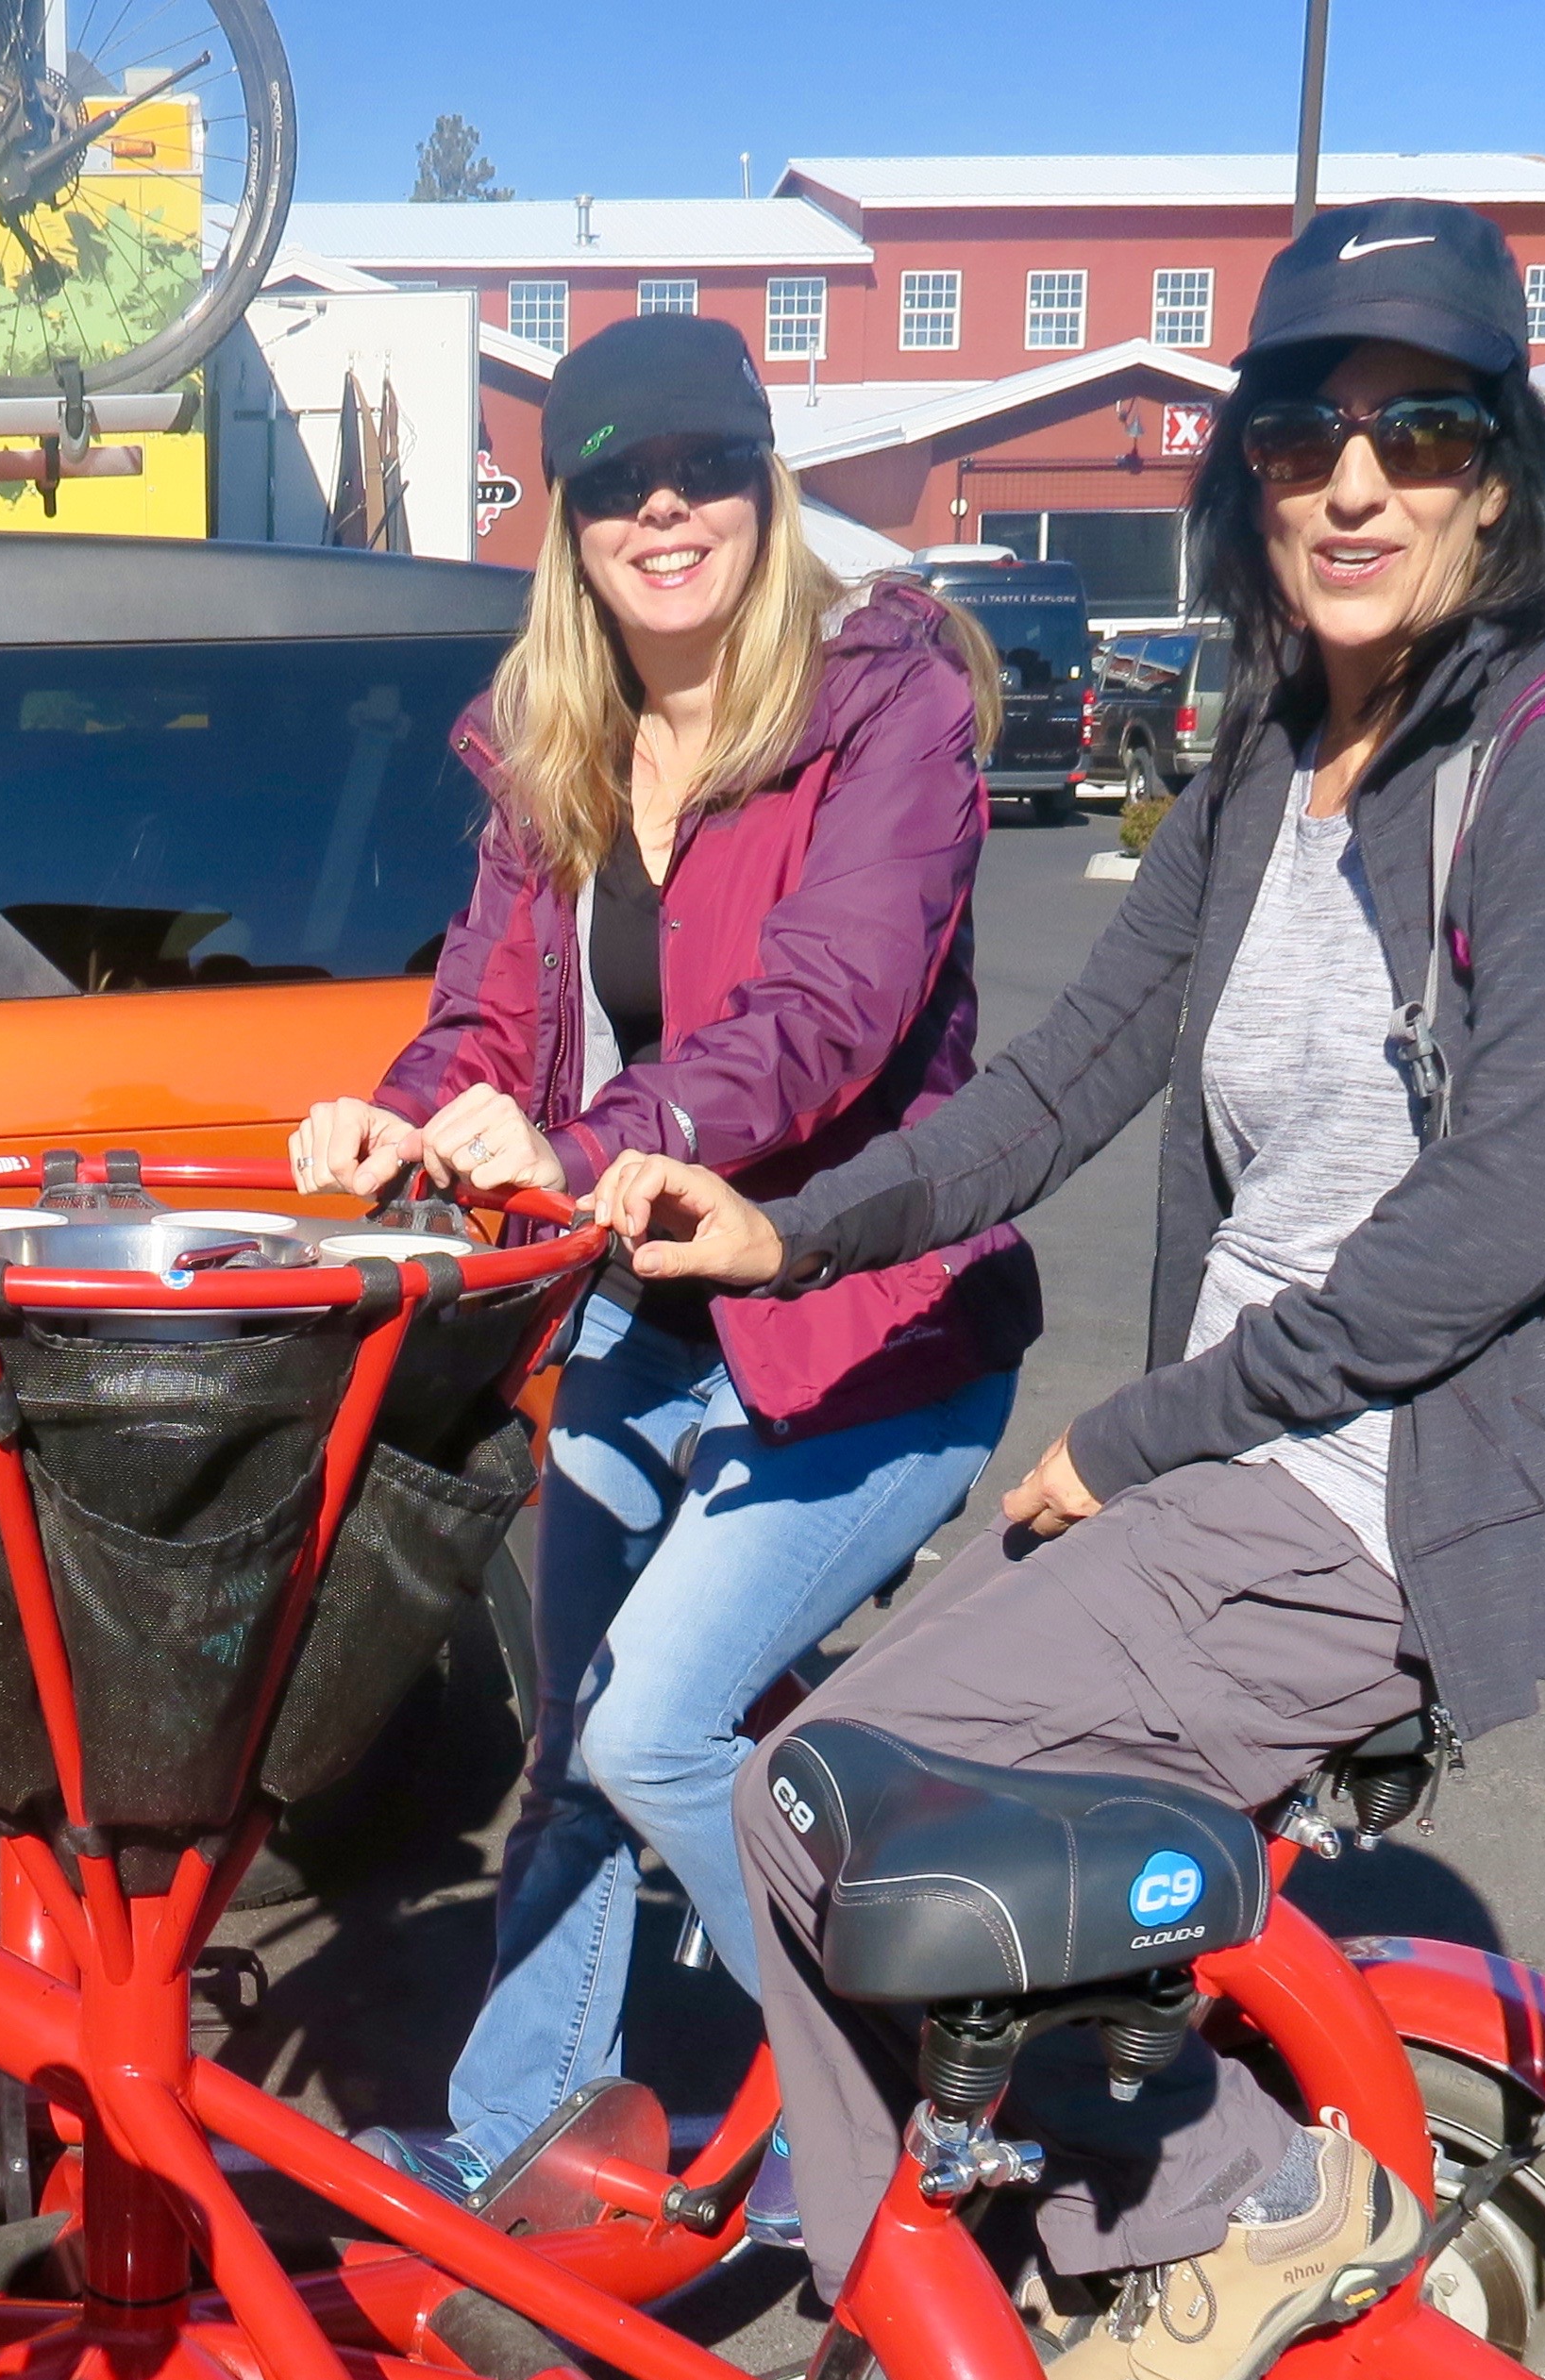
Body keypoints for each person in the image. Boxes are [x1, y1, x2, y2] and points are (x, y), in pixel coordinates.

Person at [590, 204, 1545, 2380]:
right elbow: (1047, 1093)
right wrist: (783, 1230)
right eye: (1303, 428)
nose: (1354, 478)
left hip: (1391, 1497)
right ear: (1248, 479)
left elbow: (1486, 1224)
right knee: (828, 1764)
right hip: (1237, 1472)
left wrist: (1140, 1433)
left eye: (1421, 424)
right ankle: (920, 2283)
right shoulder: (1266, 767)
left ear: (1500, 470)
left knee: (836, 1809)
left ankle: (1236, 2201)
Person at [289, 313, 1037, 2212]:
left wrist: (592, 1144)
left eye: (701, 466)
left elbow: (829, 1010)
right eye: (615, 480)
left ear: (763, 487)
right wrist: (396, 1118)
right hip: (641, 1311)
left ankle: (900, 2112)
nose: (662, 508)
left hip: (865, 1318)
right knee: (570, 1745)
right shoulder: (560, 739)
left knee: (655, 1722)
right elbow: (486, 1015)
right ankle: (511, 2133)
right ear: (570, 521)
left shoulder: (885, 708)